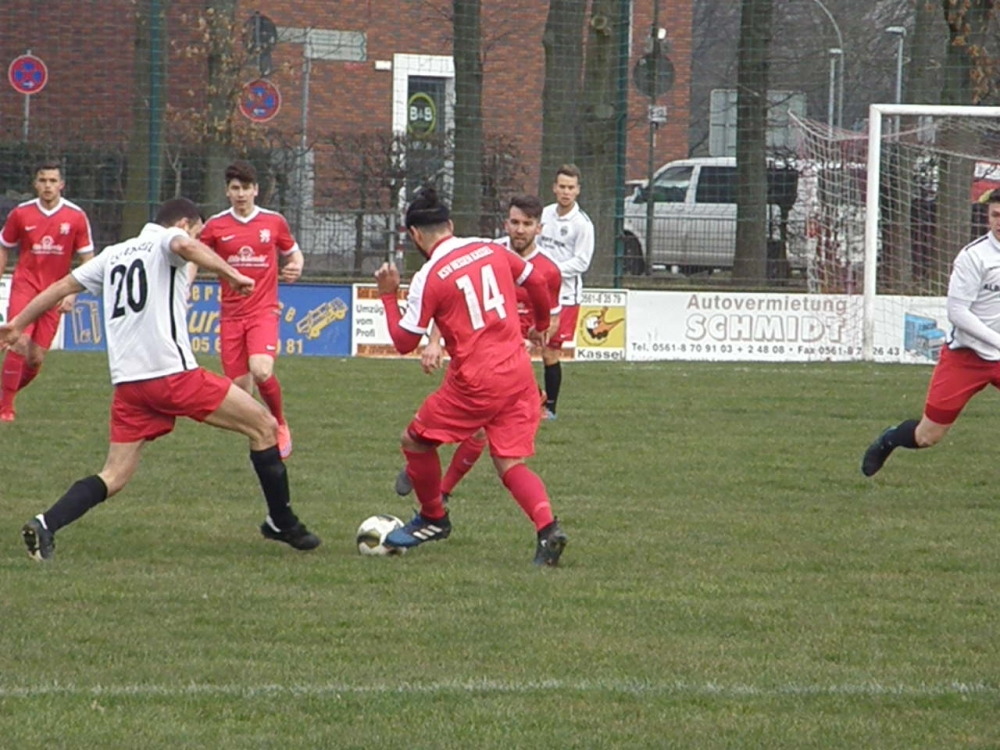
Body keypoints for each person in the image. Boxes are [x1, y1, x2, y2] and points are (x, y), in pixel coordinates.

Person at [1, 197, 320, 562]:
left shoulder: (113, 254)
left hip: (129, 387)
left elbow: (61, 287)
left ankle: (45, 523)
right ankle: (281, 521)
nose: (195, 241)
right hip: (172, 376)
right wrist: (231, 274)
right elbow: (183, 246)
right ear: (183, 224)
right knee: (264, 427)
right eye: (197, 233)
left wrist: (17, 324)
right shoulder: (167, 240)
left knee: (114, 475)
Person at [374, 187, 568, 566]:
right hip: (518, 373)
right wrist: (542, 324)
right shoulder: (489, 248)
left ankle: (433, 517)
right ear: (449, 225)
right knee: (510, 463)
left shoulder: (429, 276)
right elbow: (537, 283)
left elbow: (403, 342)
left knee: (415, 441)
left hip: (477, 382)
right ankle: (548, 529)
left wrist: (387, 296)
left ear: (414, 234)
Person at [862, 190, 1000, 477]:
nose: (999, 222)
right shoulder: (975, 257)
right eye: (995, 215)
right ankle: (889, 439)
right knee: (927, 437)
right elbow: (957, 313)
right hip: (966, 358)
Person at [199, 161, 303, 459]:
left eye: (246, 188)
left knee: (261, 369)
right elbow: (196, 256)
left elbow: (293, 253)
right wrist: (183, 287)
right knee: (240, 391)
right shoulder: (215, 226)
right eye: (235, 188)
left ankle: (279, 423)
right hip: (231, 316)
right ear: (227, 192)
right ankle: (263, 432)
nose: (241, 194)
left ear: (256, 190)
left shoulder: (273, 222)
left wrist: (296, 266)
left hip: (263, 311)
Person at [0, 160, 94, 422]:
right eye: (43, 180)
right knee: (19, 341)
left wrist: (72, 293)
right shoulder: (21, 213)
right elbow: (4, 245)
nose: (47, 186)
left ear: (61, 185)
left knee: (35, 358)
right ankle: (6, 408)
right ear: (35, 184)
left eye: (53, 181)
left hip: (55, 291)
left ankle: (4, 394)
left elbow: (88, 259)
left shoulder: (75, 216)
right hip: (25, 286)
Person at [536, 163, 594, 420]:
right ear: (554, 188)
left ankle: (549, 408)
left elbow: (582, 262)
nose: (566, 192)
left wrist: (551, 271)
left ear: (578, 190)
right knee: (517, 345)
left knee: (550, 351)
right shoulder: (544, 214)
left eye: (571, 187)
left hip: (565, 296)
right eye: (562, 187)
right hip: (538, 292)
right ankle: (532, 398)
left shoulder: (582, 224)